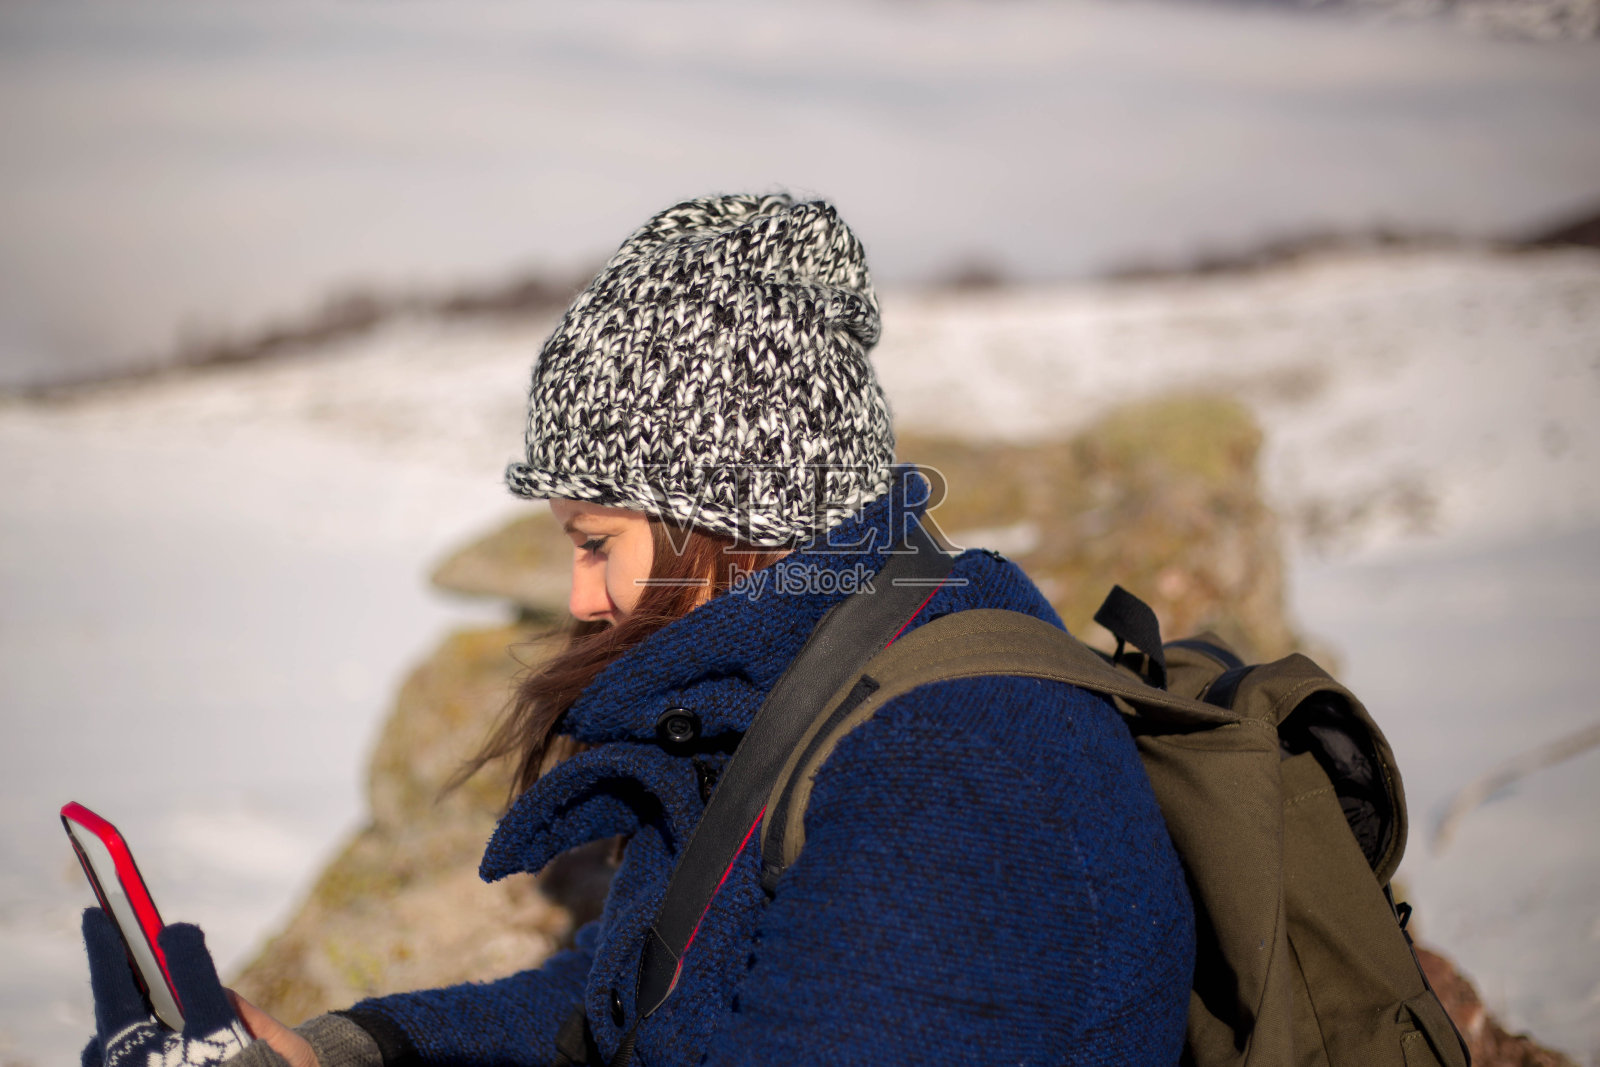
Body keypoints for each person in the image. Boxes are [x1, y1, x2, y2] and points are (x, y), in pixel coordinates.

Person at [79, 193, 1195, 1066]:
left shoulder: (950, 768)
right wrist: (354, 1045)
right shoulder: (816, 676)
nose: (579, 598)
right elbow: (640, 989)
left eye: (594, 540)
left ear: (730, 511)